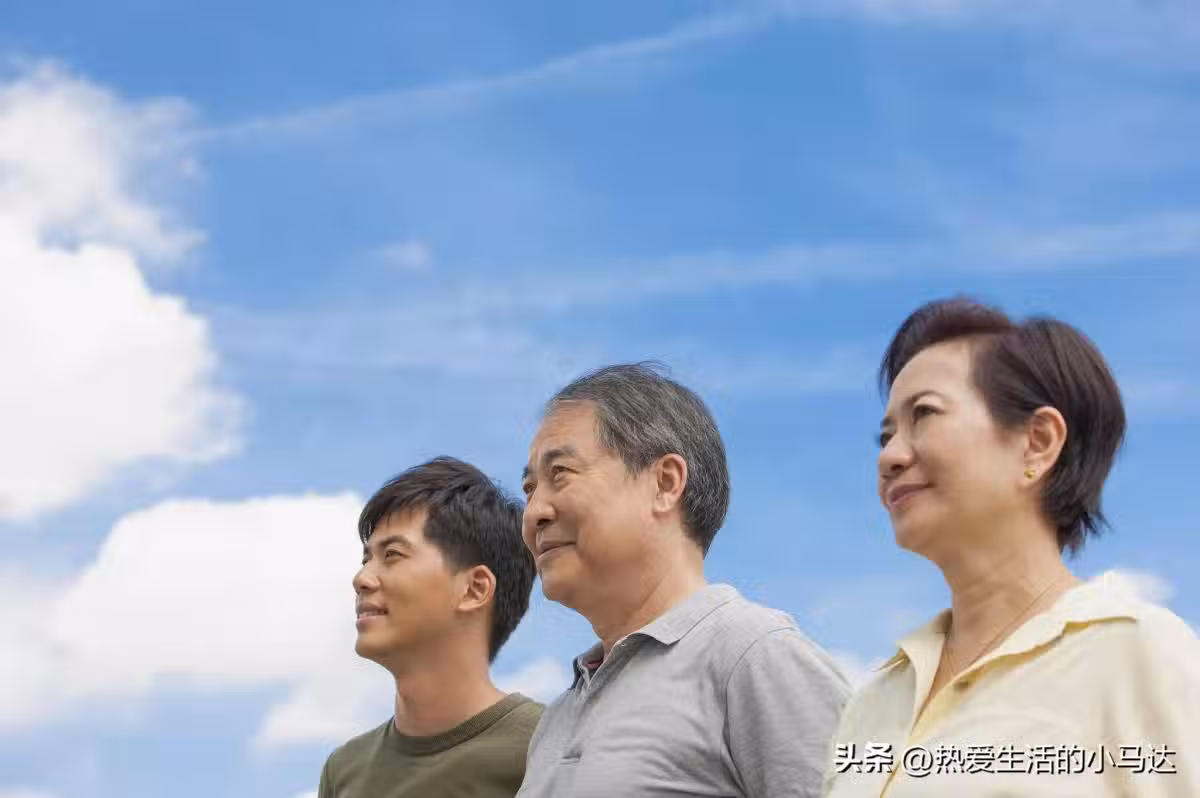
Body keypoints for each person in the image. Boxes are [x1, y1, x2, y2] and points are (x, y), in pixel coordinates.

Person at [823, 298, 1200, 797]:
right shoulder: (875, 700)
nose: (890, 456)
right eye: (885, 436)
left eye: (925, 414)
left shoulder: (1137, 653)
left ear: (1038, 442)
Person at [517, 363, 850, 798]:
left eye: (560, 473)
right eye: (529, 489)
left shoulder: (754, 656)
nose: (534, 513)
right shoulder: (557, 717)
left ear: (665, 483)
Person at [318, 456, 542, 798]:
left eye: (392, 555)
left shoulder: (546, 746)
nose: (361, 579)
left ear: (474, 589)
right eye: (366, 559)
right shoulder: (343, 769)